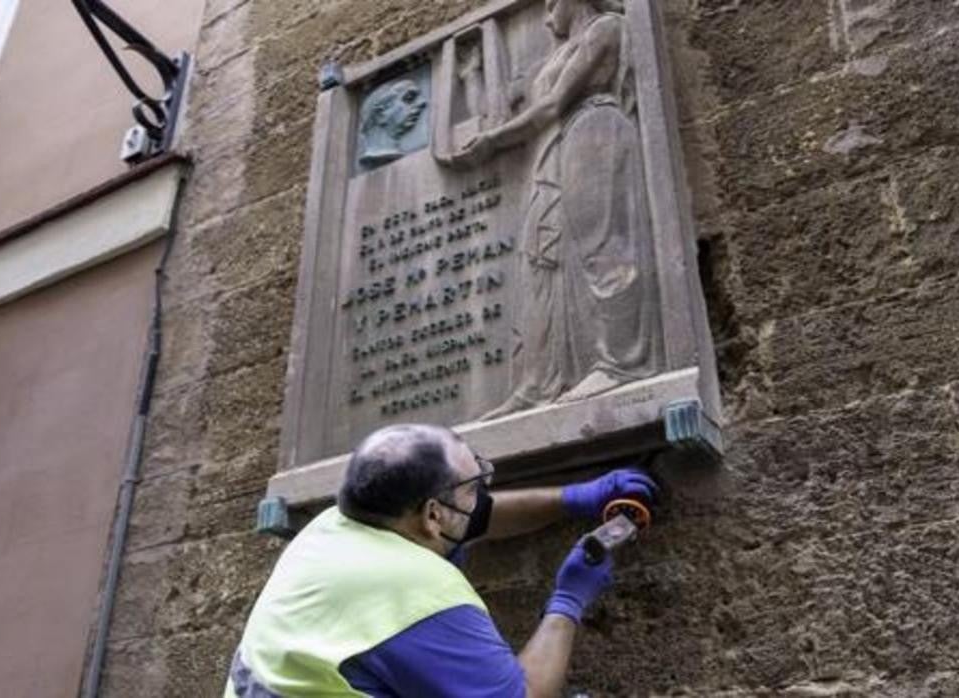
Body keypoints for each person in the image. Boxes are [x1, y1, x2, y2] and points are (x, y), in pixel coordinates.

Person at [225, 423, 658, 697]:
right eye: (474, 485)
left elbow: (469, 519)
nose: (483, 494)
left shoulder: (331, 528)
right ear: (433, 514)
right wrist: (568, 601)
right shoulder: (421, 595)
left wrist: (572, 498)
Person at [453, 0, 665, 420]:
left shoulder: (605, 28)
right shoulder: (556, 56)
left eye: (553, 2)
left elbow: (551, 106)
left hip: (594, 131)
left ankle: (620, 364)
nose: (547, 14)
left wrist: (495, 141)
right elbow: (499, 111)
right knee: (541, 259)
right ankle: (536, 384)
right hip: (559, 148)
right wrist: (471, 76)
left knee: (601, 249)